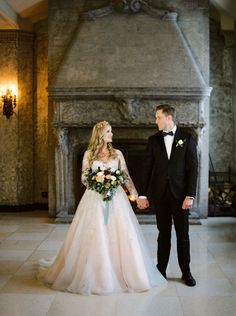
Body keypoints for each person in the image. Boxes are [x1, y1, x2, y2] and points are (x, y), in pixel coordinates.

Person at [39, 121, 167, 295]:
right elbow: (84, 177)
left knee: (121, 233)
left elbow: (126, 177)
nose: (112, 134)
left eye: (111, 131)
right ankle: (95, 274)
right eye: (109, 131)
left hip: (116, 199)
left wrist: (137, 197)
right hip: (94, 198)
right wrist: (98, 181)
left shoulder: (118, 153)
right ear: (100, 134)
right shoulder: (89, 154)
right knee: (94, 231)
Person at [137, 104, 198, 287]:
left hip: (181, 197)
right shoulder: (153, 140)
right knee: (163, 234)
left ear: (168, 118)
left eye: (158, 117)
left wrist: (190, 195)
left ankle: (186, 272)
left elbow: (193, 169)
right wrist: (142, 194)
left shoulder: (187, 138)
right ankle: (161, 269)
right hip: (161, 195)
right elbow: (147, 168)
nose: (155, 121)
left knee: (183, 235)